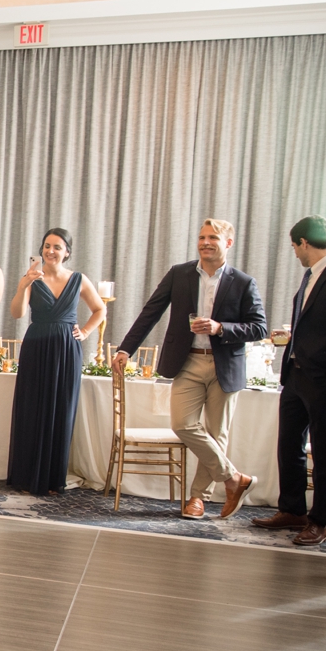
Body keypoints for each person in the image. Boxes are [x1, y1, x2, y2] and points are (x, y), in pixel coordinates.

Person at [113, 219, 268, 519]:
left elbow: (259, 327)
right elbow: (151, 312)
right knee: (183, 424)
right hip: (187, 361)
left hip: (226, 364)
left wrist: (220, 327)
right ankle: (234, 478)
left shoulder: (243, 282)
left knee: (216, 432)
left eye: (213, 238)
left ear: (228, 243)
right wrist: (125, 348)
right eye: (201, 237)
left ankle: (198, 498)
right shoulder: (179, 273)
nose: (205, 242)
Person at [252, 217, 326, 546]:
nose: (294, 253)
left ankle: (322, 521)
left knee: (325, 452)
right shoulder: (311, 275)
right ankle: (293, 509)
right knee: (289, 446)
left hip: (323, 379)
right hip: (297, 375)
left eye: (294, 246)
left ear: (303, 243)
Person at [6, 229, 106, 496]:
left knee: (61, 410)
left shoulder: (78, 279)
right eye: (47, 246)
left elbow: (100, 309)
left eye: (58, 247)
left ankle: (52, 479)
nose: (51, 251)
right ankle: (27, 476)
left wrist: (84, 332)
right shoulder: (31, 278)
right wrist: (23, 285)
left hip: (66, 349)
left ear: (67, 252)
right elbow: (17, 313)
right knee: (32, 408)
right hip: (37, 345)